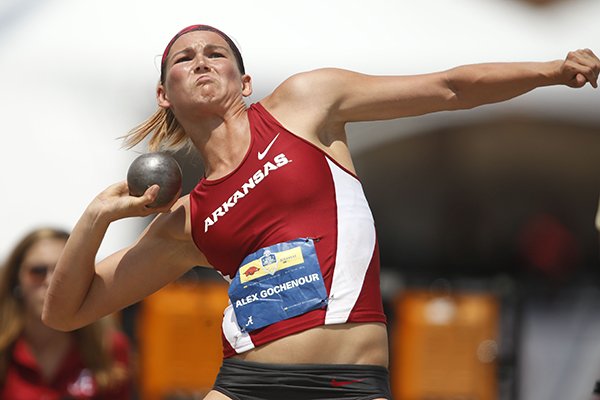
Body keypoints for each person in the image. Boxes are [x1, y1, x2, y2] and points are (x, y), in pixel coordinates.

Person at [42, 24, 600, 400]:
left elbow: (449, 89)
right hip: (246, 384)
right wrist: (96, 216)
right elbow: (66, 312)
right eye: (184, 59)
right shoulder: (189, 220)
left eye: (217, 53)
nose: (202, 61)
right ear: (165, 93)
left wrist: (550, 71)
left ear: (245, 80)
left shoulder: (305, 105)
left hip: (350, 382)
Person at [0, 227, 132, 400]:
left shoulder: (109, 347)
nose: (50, 281)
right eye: (38, 271)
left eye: (62, 271)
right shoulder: (4, 348)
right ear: (15, 279)